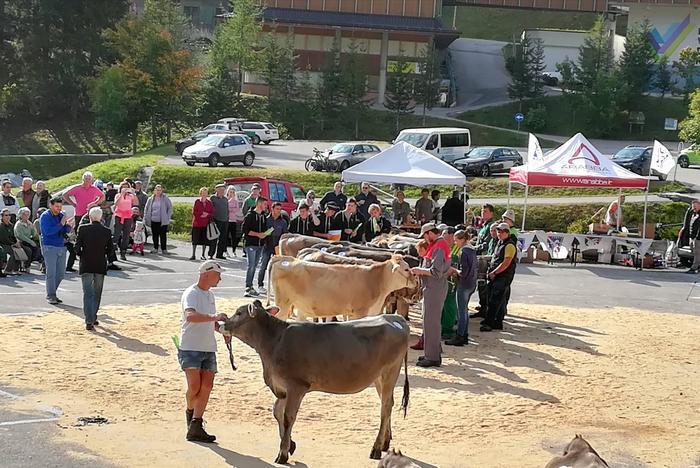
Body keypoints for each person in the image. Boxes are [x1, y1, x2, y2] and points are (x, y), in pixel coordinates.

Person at [179, 260, 229, 443]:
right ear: (207, 273)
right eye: (218, 274)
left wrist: (221, 330)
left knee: (206, 386)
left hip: (208, 347)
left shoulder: (210, 296)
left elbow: (209, 321)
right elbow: (190, 316)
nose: (220, 279)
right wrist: (214, 317)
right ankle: (191, 414)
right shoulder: (191, 293)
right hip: (190, 347)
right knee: (194, 387)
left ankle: (196, 424)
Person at [410, 223, 451, 368]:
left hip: (435, 287)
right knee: (429, 321)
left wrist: (419, 270)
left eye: (425, 236)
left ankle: (432, 357)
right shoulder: (438, 245)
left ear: (429, 233)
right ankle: (431, 352)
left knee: (431, 322)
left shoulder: (439, 246)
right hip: (433, 287)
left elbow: (436, 272)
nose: (425, 240)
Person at [75, 207, 115, 330]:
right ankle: (93, 316)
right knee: (97, 292)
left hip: (86, 263)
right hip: (100, 263)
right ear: (101, 217)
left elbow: (77, 247)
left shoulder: (83, 229)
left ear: (90, 217)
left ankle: (88, 320)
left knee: (88, 293)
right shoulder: (106, 231)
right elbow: (110, 250)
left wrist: (82, 256)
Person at [481, 223, 517, 332]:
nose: (499, 233)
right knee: (497, 300)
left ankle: (489, 323)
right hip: (498, 275)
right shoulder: (500, 243)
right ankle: (496, 322)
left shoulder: (509, 245)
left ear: (507, 232)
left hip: (503, 276)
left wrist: (494, 273)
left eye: (502, 231)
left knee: (495, 300)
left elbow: (506, 263)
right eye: (498, 231)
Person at [445, 230, 477, 346]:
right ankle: (464, 335)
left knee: (461, 312)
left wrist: (454, 270)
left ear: (462, 239)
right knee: (465, 311)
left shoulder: (464, 252)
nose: (455, 243)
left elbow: (463, 272)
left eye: (456, 240)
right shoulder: (472, 250)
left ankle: (460, 336)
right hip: (471, 283)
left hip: (464, 284)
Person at [40, 197, 72, 305]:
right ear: (51, 205)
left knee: (61, 273)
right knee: (51, 273)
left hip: (61, 246)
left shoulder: (60, 216)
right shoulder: (45, 216)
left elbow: (63, 230)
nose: (59, 209)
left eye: (60, 207)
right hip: (49, 246)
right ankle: (51, 295)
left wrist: (68, 226)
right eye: (57, 206)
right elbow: (48, 232)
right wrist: (61, 224)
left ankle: (52, 292)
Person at [258, 202, 289, 294]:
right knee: (264, 265)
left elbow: (285, 235)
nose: (279, 211)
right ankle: (260, 285)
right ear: (272, 209)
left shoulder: (283, 222)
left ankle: (279, 285)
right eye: (277, 209)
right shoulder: (266, 220)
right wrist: (269, 231)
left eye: (280, 209)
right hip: (267, 245)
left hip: (277, 246)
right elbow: (262, 233)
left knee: (280, 266)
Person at [242, 197, 269, 297]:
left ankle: (251, 286)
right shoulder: (250, 215)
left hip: (260, 244)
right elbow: (245, 230)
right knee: (251, 265)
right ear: (259, 204)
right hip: (251, 244)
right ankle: (248, 287)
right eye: (265, 204)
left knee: (255, 265)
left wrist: (266, 234)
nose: (266, 206)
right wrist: (258, 234)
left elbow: (266, 229)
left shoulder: (263, 216)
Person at [439, 227, 458, 341]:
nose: (442, 235)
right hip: (444, 277)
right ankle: (443, 327)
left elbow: (455, 264)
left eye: (445, 233)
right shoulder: (445, 246)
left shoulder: (456, 248)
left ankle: (448, 330)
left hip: (451, 279)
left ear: (451, 235)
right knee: (444, 303)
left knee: (449, 303)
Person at [144, 184, 173, 255]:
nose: (158, 191)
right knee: (155, 235)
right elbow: (146, 208)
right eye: (157, 190)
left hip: (162, 221)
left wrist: (167, 217)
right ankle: (155, 248)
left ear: (161, 191)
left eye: (159, 190)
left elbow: (170, 208)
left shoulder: (165, 198)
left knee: (163, 235)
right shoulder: (150, 199)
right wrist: (146, 217)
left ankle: (164, 249)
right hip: (153, 220)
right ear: (154, 191)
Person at [112, 182, 138, 261]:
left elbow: (136, 203)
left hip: (128, 216)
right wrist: (121, 195)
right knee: (117, 234)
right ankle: (112, 252)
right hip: (119, 216)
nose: (125, 189)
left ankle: (123, 252)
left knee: (126, 235)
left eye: (127, 187)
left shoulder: (130, 196)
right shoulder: (118, 195)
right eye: (123, 187)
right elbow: (115, 204)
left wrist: (133, 193)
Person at [190, 187, 214, 261]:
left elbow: (212, 213)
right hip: (197, 223)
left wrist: (207, 214)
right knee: (195, 240)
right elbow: (194, 212)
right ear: (200, 194)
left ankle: (203, 255)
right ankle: (193, 254)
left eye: (205, 193)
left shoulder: (209, 203)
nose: (204, 194)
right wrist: (201, 213)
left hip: (205, 224)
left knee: (204, 240)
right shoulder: (197, 201)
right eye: (203, 193)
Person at [14, 207, 40, 272]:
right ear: (21, 215)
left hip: (28, 241)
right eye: (24, 215)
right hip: (20, 242)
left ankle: (28, 263)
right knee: (28, 250)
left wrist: (33, 229)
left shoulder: (29, 223)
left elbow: (33, 233)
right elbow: (20, 236)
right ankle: (26, 266)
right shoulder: (19, 224)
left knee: (37, 248)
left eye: (28, 214)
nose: (27, 216)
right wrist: (31, 242)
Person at [209, 184, 229, 260]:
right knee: (214, 238)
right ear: (216, 190)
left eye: (223, 190)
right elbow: (211, 209)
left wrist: (227, 218)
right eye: (221, 190)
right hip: (216, 220)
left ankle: (219, 254)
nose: (222, 191)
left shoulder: (225, 199)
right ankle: (211, 254)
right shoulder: (213, 198)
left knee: (223, 238)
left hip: (225, 220)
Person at [680, 199, 700, 273]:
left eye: (695, 206)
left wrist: (697, 237)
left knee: (697, 254)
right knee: (694, 252)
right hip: (692, 237)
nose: (693, 208)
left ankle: (694, 268)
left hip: (698, 238)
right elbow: (689, 225)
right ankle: (697, 266)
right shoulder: (694, 213)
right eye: (693, 206)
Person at [0, 208, 21, 275]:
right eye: (6, 215)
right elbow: (4, 238)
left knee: (19, 250)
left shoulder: (11, 225)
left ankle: (15, 269)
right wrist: (13, 244)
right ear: (2, 216)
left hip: (8, 243)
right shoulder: (1, 226)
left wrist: (16, 242)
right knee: (12, 252)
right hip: (2, 243)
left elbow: (13, 236)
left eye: (9, 215)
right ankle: (7, 270)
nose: (8, 217)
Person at [225, 186, 244, 256]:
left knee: (234, 236)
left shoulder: (236, 201)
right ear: (228, 192)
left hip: (233, 220)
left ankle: (234, 250)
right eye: (230, 192)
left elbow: (237, 209)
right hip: (226, 220)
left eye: (233, 192)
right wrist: (231, 209)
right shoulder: (225, 200)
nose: (232, 193)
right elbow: (226, 208)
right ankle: (225, 250)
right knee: (226, 236)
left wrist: (231, 209)